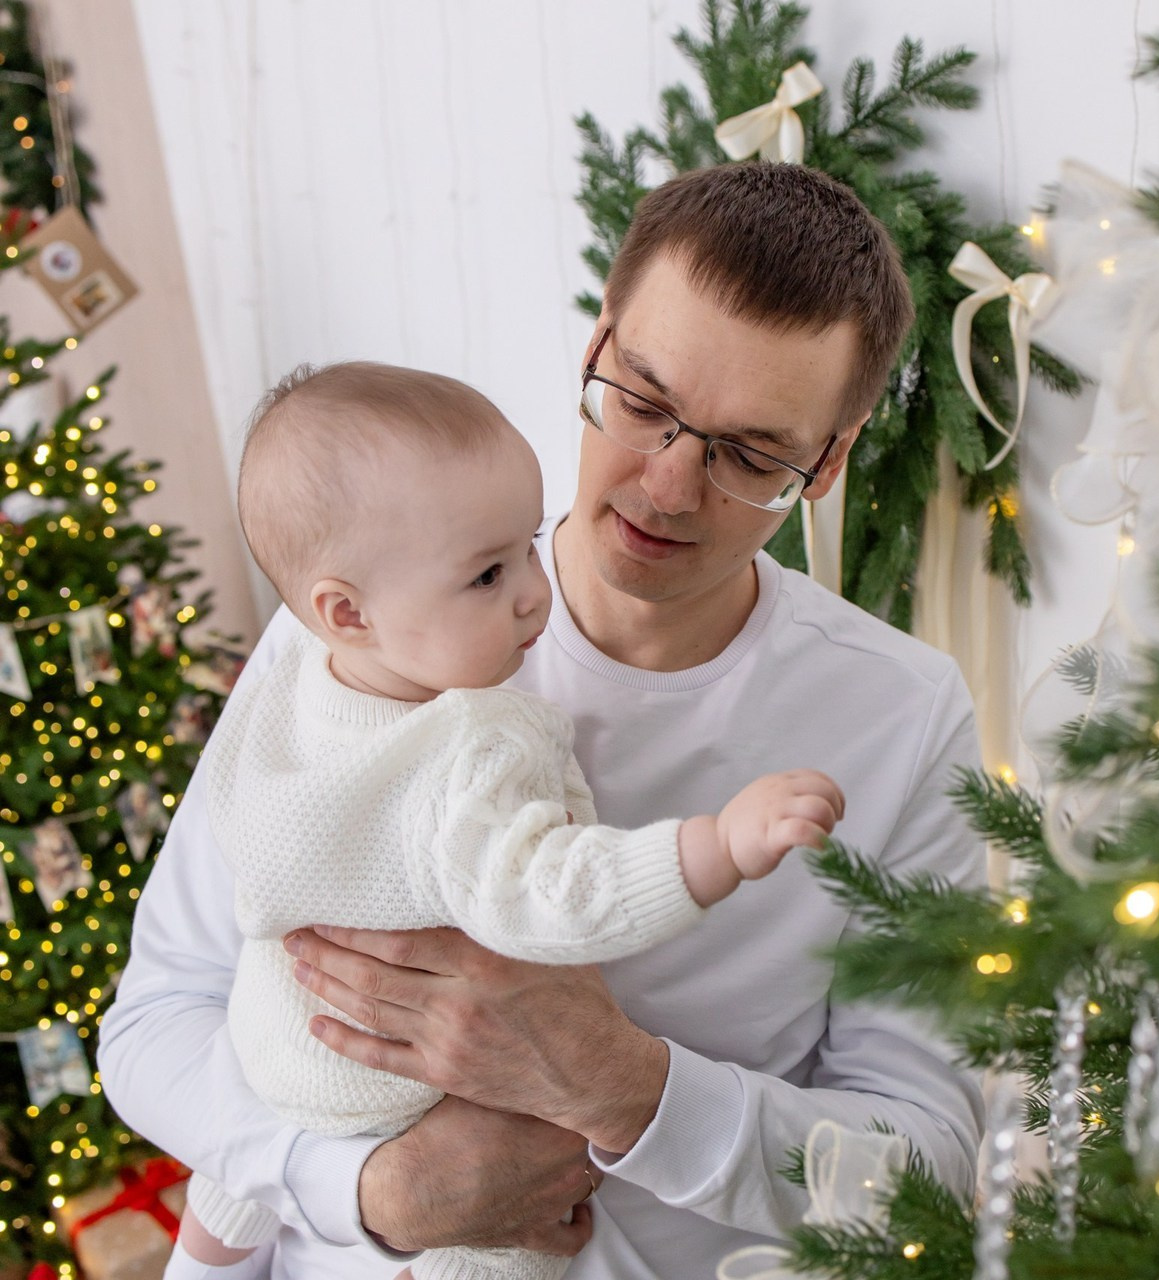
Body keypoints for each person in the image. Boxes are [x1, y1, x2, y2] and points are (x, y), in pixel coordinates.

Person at [100, 161, 987, 1280]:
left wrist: (624, 1083)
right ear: (594, 347)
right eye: (644, 403)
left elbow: (926, 1165)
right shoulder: (367, 623)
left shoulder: (899, 714)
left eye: (751, 454)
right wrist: (372, 1192)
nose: (668, 484)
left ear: (829, 460)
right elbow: (156, 1021)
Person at [164, 360, 843, 1280]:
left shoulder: (292, 682)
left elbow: (237, 827)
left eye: (526, 544)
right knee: (511, 1249)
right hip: (394, 1092)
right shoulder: (477, 741)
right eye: (487, 574)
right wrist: (714, 847)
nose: (533, 591)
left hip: (268, 1051)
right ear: (347, 612)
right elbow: (550, 894)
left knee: (225, 1187)